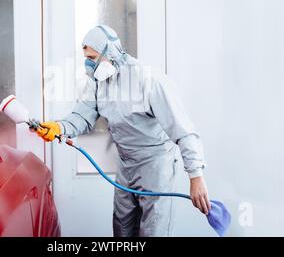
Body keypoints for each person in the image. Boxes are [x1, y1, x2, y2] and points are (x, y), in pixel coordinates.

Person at [36, 25, 209, 236]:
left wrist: (196, 176)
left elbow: (183, 130)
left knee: (153, 231)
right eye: (85, 57)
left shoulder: (149, 80)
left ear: (110, 53)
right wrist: (59, 127)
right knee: (122, 229)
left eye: (92, 57)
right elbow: (84, 115)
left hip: (156, 166)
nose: (88, 63)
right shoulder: (99, 81)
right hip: (126, 165)